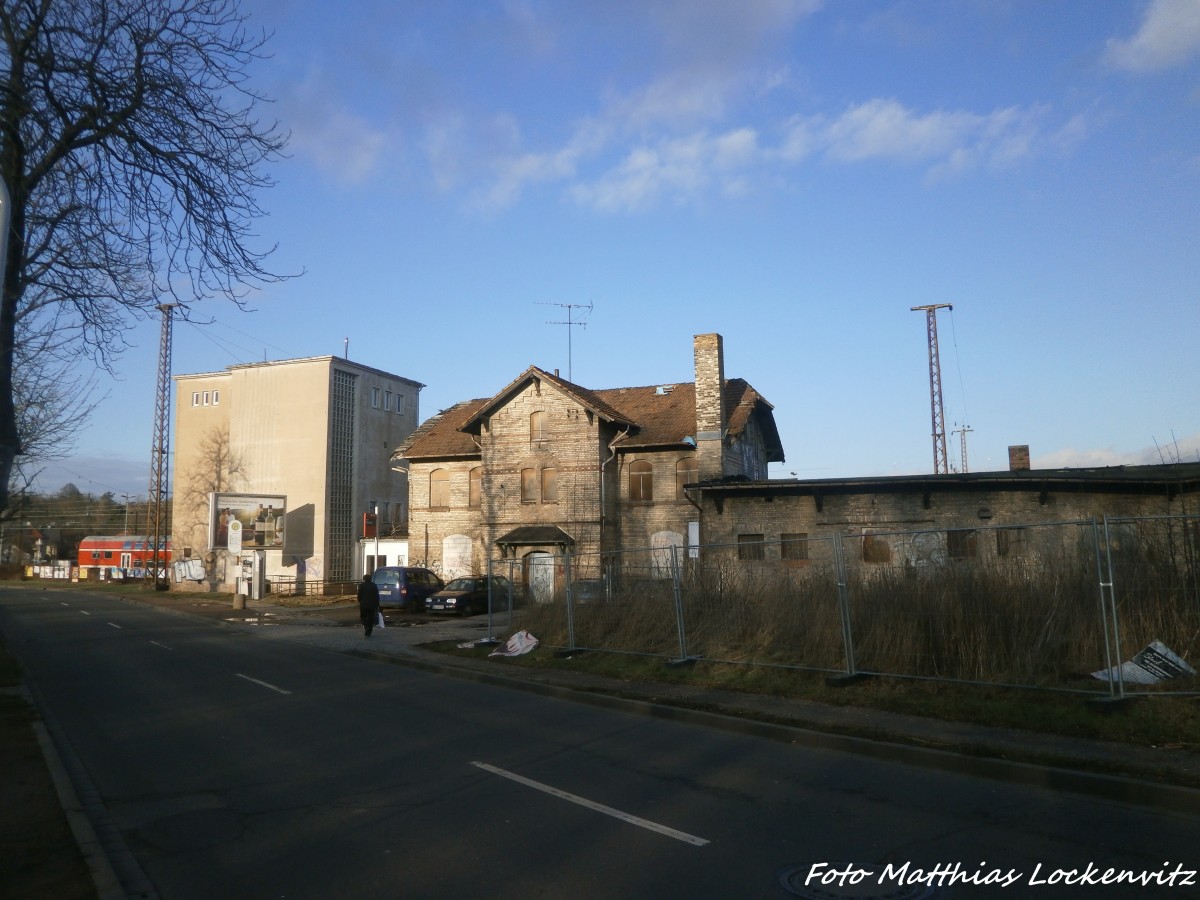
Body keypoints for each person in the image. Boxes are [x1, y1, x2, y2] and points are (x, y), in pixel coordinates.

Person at [357, 573, 381, 638]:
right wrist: (377, 604)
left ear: (364, 579)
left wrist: (360, 601)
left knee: (363, 617)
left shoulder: (362, 585)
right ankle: (369, 631)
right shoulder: (374, 585)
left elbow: (359, 595)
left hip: (363, 604)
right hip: (372, 605)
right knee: (371, 618)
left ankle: (366, 627)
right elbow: (376, 596)